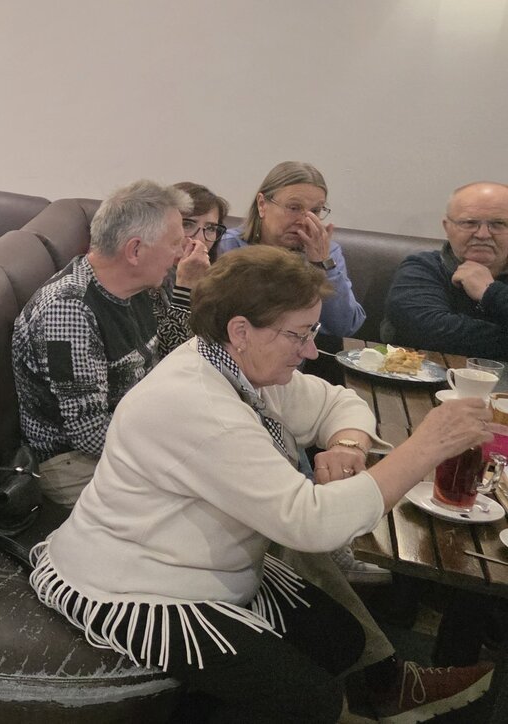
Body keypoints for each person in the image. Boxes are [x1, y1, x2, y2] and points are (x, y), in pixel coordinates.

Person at [30, 246, 495, 723]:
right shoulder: (198, 405)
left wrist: (348, 445)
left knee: (342, 641)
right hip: (137, 584)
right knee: (312, 701)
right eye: (299, 334)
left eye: (311, 331)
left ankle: (382, 691)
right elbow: (310, 524)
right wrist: (424, 448)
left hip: (208, 564)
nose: (310, 350)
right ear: (240, 330)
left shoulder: (234, 364)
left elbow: (336, 402)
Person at [13, 180, 199, 504]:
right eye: (175, 243)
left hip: (134, 430)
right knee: (199, 498)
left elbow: (171, 355)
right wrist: (172, 453)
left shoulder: (142, 286)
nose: (181, 254)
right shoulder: (69, 311)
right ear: (135, 250)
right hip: (73, 462)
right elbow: (89, 434)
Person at [217, 161, 366, 337]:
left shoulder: (326, 253)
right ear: (262, 204)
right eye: (294, 208)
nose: (303, 221)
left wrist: (321, 265)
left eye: (315, 210)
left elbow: (344, 326)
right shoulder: (227, 246)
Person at [383, 181, 508, 358]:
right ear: (447, 227)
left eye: (498, 224)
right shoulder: (422, 268)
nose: (483, 234)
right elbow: (430, 331)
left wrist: (491, 292)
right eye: (469, 223)